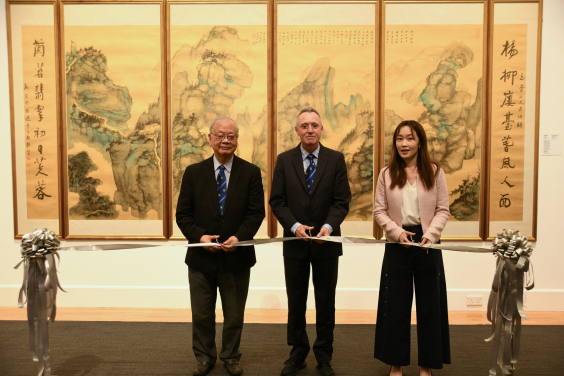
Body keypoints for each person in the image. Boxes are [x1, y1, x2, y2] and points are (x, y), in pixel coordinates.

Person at [176, 116, 265, 376]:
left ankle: (231, 356)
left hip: (237, 257)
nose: (226, 140)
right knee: (202, 314)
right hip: (201, 259)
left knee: (234, 315)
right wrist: (199, 237)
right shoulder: (194, 172)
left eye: (232, 136)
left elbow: (255, 213)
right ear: (210, 138)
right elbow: (183, 215)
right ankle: (204, 358)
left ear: (237, 139)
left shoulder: (250, 172)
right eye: (220, 135)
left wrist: (240, 237)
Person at [269, 107, 351, 376]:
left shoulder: (336, 159)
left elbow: (341, 201)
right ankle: (297, 352)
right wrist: (294, 227)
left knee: (326, 302)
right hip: (295, 244)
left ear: (321, 129)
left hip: (326, 244)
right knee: (296, 301)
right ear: (296, 131)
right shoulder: (284, 160)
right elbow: (277, 201)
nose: (310, 130)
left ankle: (324, 355)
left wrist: (328, 227)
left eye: (314, 125)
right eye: (304, 126)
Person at [373, 120, 451, 376]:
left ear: (420, 142)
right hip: (398, 243)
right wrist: (396, 233)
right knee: (395, 305)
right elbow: (379, 211)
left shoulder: (435, 172)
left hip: (428, 243)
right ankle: (396, 364)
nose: (404, 144)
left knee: (430, 306)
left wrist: (430, 235)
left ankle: (426, 365)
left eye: (409, 138)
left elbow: (442, 210)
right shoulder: (386, 173)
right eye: (399, 139)